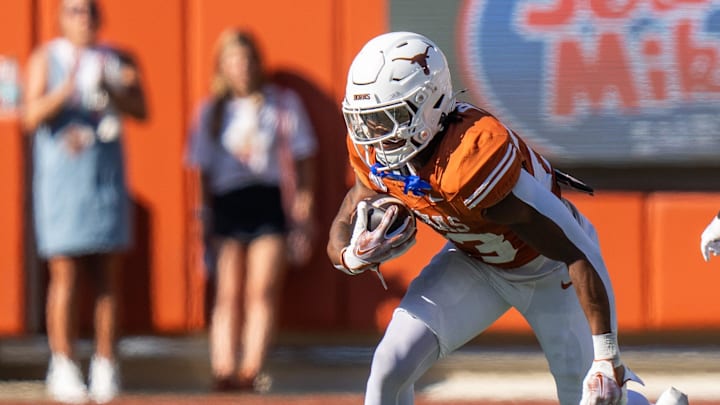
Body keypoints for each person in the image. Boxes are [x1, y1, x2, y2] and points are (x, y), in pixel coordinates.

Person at [327, 31, 642, 405]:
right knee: (389, 367)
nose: (376, 136)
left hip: (550, 270)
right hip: (475, 263)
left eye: (390, 118)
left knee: (593, 394)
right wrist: (352, 255)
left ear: (430, 103)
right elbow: (351, 207)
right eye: (368, 121)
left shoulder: (472, 158)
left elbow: (577, 250)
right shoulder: (376, 151)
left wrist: (608, 355)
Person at [21, 0, 147, 403]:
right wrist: (70, 86)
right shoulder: (47, 59)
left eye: (90, 11)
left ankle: (106, 363)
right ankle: (63, 363)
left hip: (104, 182)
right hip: (62, 184)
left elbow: (142, 109)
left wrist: (111, 86)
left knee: (107, 278)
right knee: (66, 274)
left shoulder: (118, 58)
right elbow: (30, 115)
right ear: (61, 19)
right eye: (75, 11)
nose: (84, 18)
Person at [186, 28, 317, 392]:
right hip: (228, 202)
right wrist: (202, 215)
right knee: (227, 289)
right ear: (222, 67)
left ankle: (250, 368)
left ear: (257, 63)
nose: (241, 68)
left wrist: (304, 211)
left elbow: (305, 158)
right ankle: (223, 367)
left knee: (261, 290)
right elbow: (200, 170)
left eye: (246, 60)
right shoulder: (211, 111)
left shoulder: (281, 103)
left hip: (268, 199)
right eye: (232, 61)